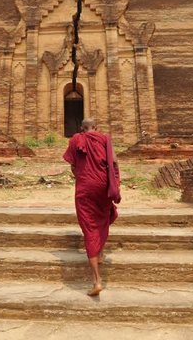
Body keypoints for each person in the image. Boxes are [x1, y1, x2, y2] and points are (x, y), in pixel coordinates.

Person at [63, 118, 121, 296]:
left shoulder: (75, 140)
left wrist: (81, 176)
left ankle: (97, 281)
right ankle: (101, 253)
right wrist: (115, 183)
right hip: (102, 185)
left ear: (81, 128)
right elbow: (114, 163)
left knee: (89, 228)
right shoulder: (104, 139)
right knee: (102, 218)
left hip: (85, 187)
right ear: (96, 128)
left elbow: (72, 166)